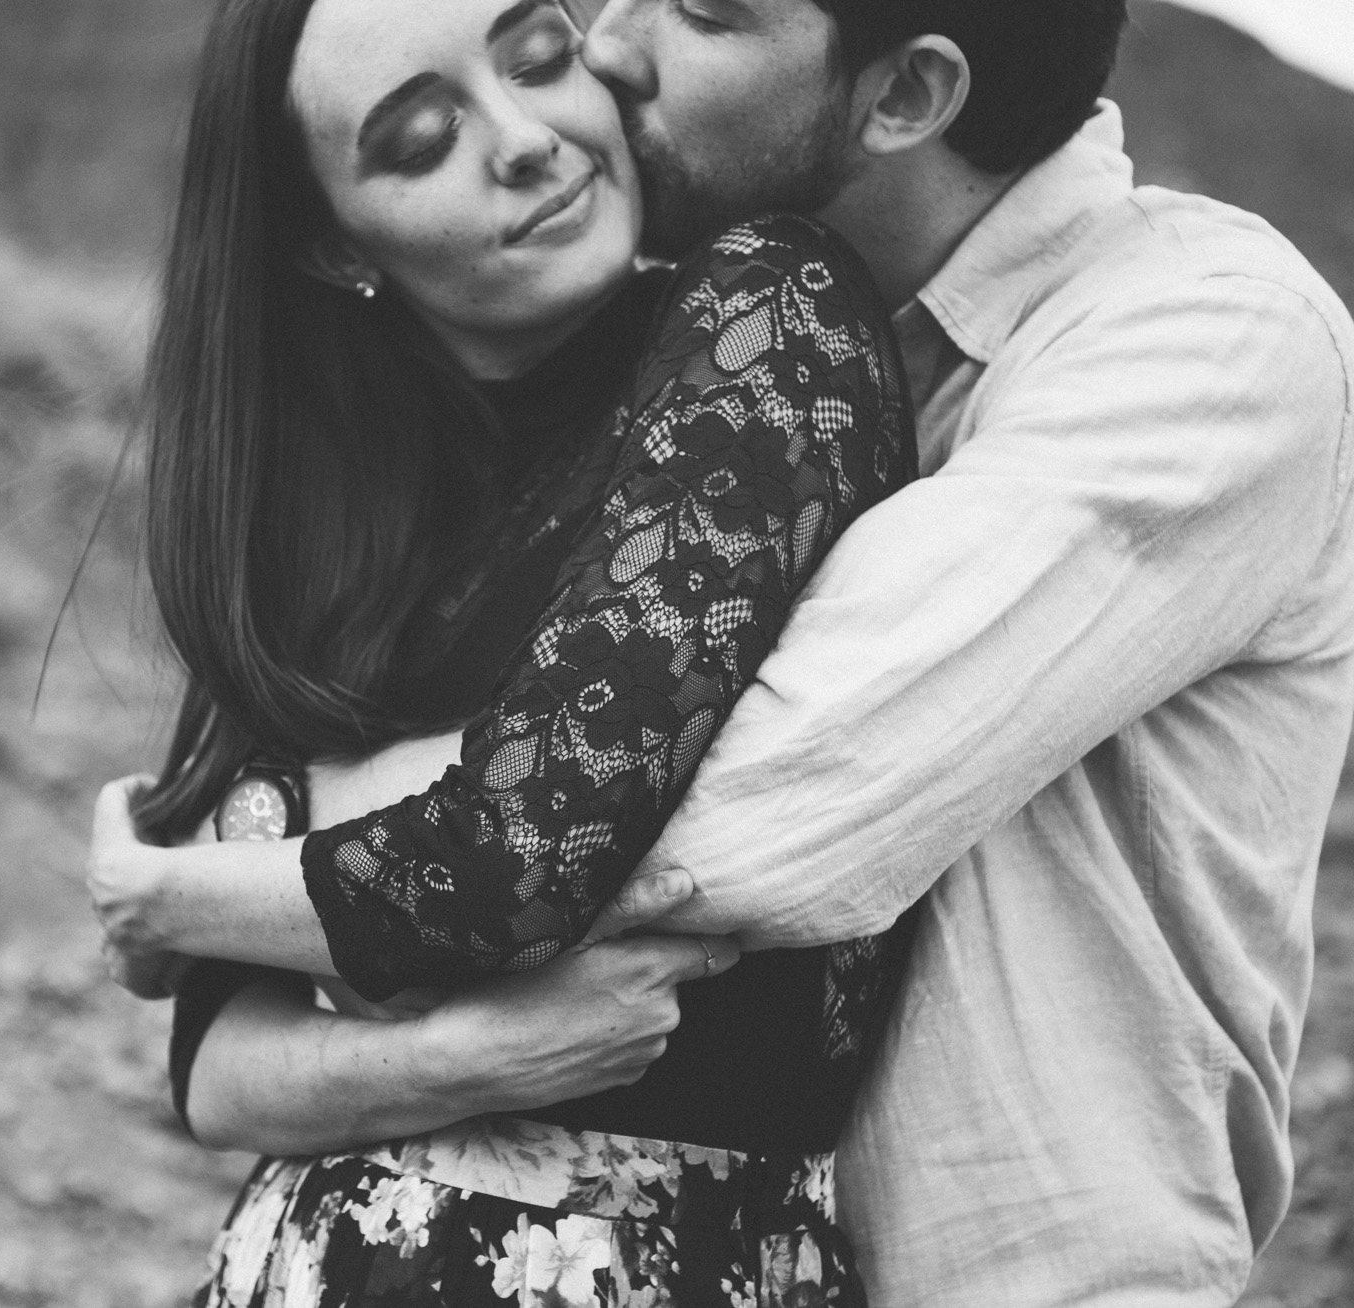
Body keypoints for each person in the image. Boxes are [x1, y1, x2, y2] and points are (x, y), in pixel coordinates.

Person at [97, 0, 1354, 1303]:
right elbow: (220, 1066)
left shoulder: (1196, 339)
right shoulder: (631, 400)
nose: (610, 46)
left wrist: (207, 867)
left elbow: (671, 824)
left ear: (903, 99)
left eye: (698, 10)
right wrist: (459, 1049)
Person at [90, 0, 918, 1301]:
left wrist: (175, 888)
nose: (527, 140)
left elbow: (529, 845)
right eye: (421, 140)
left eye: (538, 56)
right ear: (332, 243)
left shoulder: (767, 318)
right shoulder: (347, 531)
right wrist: (476, 1057)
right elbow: (212, 1067)